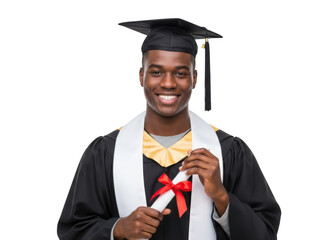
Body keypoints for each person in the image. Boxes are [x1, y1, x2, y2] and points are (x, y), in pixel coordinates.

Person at [57, 18, 281, 240]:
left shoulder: (228, 152)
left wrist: (221, 197)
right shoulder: (107, 153)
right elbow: (74, 231)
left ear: (194, 79)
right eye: (156, 72)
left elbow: (265, 233)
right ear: (141, 76)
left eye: (181, 73)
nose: (168, 83)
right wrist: (118, 229)